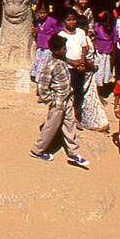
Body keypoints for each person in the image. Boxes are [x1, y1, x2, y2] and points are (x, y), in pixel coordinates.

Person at [29, 33, 90, 167]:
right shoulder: (51, 66)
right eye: (63, 49)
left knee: (70, 125)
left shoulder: (63, 62)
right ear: (56, 50)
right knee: (51, 127)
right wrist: (50, 99)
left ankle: (74, 154)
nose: (65, 50)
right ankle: (37, 150)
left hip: (67, 100)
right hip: (58, 102)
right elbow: (42, 86)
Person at [29, 0, 59, 81]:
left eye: (44, 13)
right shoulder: (38, 21)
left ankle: (40, 80)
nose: (42, 15)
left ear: (48, 12)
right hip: (40, 46)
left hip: (48, 47)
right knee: (37, 61)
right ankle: (34, 76)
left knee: (43, 64)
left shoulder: (52, 21)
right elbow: (38, 31)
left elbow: (58, 31)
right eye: (40, 13)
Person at [91, 7, 118, 90]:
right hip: (99, 52)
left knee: (106, 69)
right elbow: (92, 35)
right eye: (106, 24)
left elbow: (114, 42)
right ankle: (98, 87)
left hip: (107, 53)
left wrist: (113, 54)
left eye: (110, 24)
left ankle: (104, 85)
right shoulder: (97, 26)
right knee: (99, 69)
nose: (108, 26)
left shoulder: (114, 30)